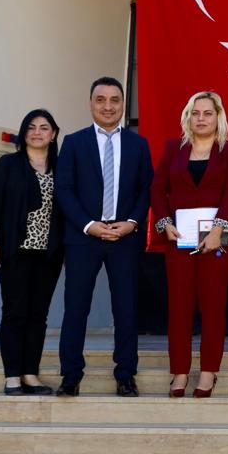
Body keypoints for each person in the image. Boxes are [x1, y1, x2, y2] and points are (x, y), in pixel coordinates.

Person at [54, 77, 152, 397]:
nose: (108, 106)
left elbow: (145, 189)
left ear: (123, 104)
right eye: (101, 100)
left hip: (124, 238)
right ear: (90, 103)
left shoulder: (138, 144)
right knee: (76, 308)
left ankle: (125, 374)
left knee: (126, 309)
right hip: (84, 238)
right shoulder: (73, 142)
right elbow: (64, 190)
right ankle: (70, 375)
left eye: (114, 100)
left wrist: (132, 222)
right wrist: (89, 225)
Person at [152, 91, 228, 399]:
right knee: (179, 307)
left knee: (212, 306)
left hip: (217, 242)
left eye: (207, 113)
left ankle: (208, 372)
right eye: (196, 113)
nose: (201, 118)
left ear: (218, 117)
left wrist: (219, 230)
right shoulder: (173, 149)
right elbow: (157, 190)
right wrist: (164, 224)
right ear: (187, 117)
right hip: (179, 241)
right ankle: (179, 371)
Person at [0, 109, 63, 396]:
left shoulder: (61, 168)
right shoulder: (8, 165)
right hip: (16, 251)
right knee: (15, 312)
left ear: (53, 134)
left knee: (38, 315)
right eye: (31, 127)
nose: (37, 132)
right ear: (24, 132)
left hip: (49, 255)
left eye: (44, 127)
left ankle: (30, 374)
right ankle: (12, 376)